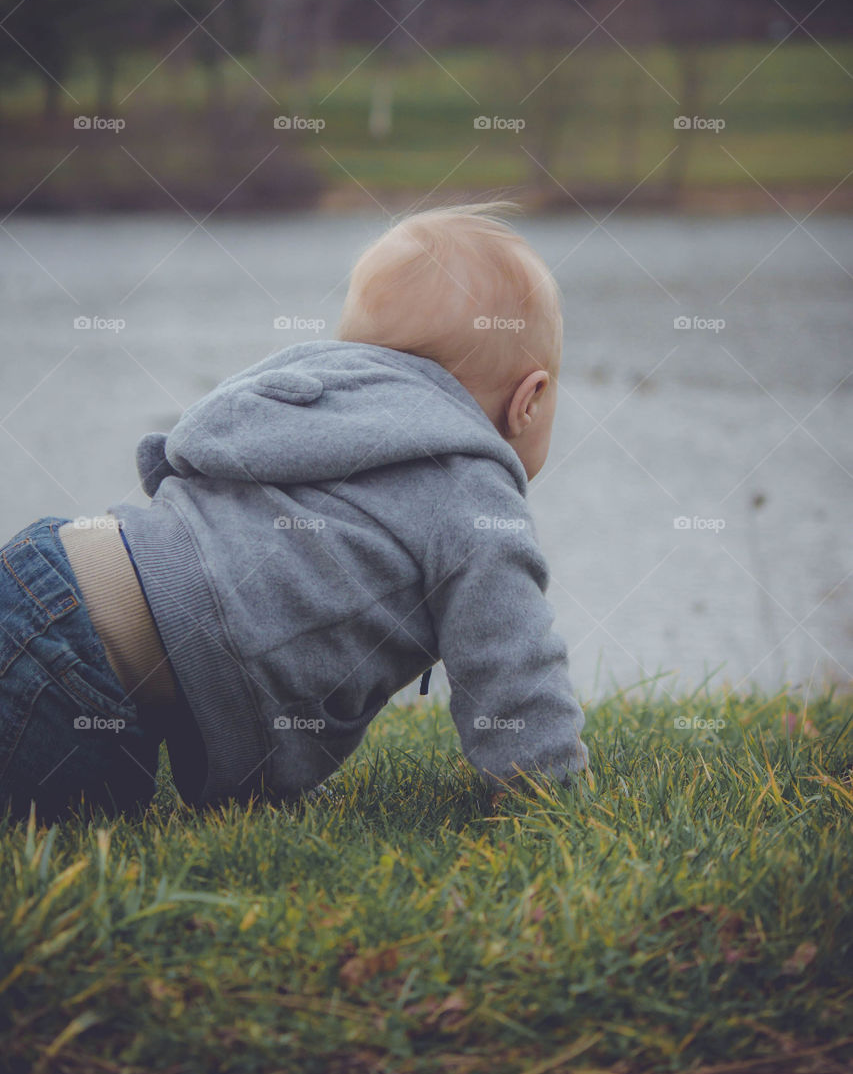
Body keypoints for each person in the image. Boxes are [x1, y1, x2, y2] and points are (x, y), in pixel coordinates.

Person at [0, 202, 589, 823]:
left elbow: (178, 479)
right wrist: (549, 794)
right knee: (70, 823)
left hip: (49, 572)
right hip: (74, 663)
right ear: (530, 399)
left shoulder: (304, 398)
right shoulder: (469, 479)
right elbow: (513, 658)